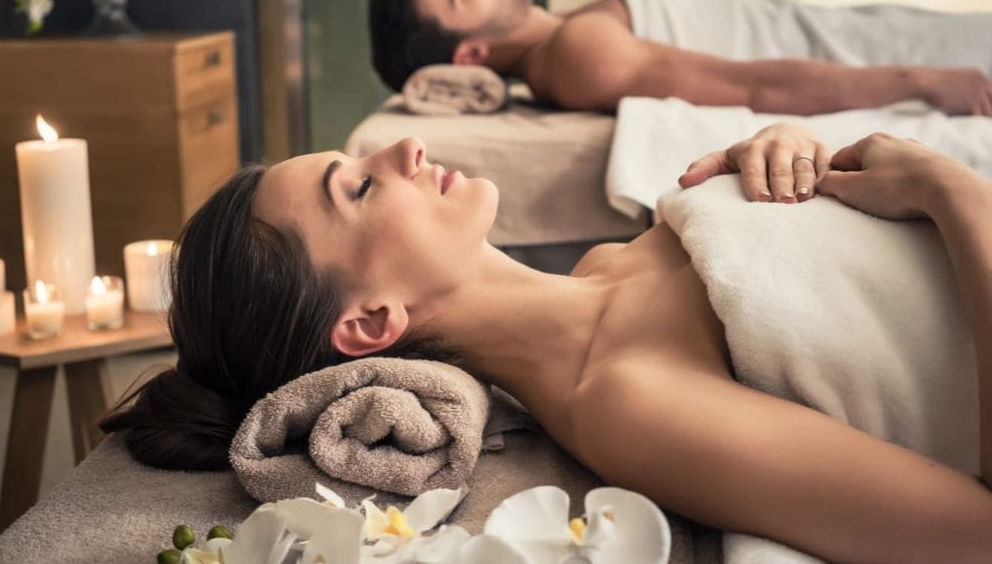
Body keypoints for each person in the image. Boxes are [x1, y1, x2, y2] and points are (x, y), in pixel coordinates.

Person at [102, 124, 992, 562]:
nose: (408, 148)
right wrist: (951, 191)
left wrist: (798, 158)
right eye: (362, 189)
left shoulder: (616, 258)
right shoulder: (625, 400)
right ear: (372, 323)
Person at [367, 0, 992, 116]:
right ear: (471, 55)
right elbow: (754, 86)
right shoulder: (579, 55)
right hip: (881, 61)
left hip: (862, 32)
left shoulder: (569, 30)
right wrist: (923, 80)